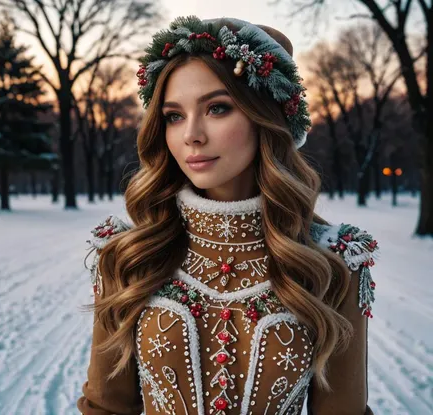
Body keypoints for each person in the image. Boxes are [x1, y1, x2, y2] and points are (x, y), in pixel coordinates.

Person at [76, 16, 380, 415]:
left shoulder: (334, 264)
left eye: (217, 108)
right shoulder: (128, 256)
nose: (191, 135)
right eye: (174, 115)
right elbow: (105, 408)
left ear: (267, 118)